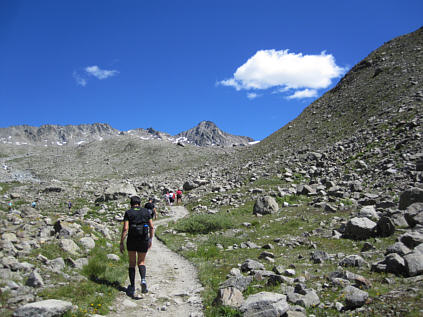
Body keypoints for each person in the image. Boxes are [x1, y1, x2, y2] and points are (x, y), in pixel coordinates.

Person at [120, 196, 154, 297]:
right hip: (143, 239)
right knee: (141, 262)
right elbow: (151, 226)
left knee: (132, 263)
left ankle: (132, 286)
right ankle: (143, 280)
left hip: (132, 240)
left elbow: (126, 228)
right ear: (139, 203)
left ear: (131, 203)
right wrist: (150, 239)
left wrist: (121, 242)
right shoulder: (146, 212)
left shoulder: (128, 212)